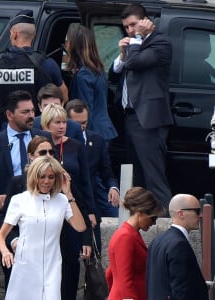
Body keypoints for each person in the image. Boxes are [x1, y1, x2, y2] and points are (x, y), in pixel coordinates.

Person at [0, 90, 50, 286]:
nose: (31, 115)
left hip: (44, 216)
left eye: (32, 111)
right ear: (9, 114)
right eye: (25, 112)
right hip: (11, 220)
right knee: (14, 278)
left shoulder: (43, 140)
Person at [109, 3, 173, 210]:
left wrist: (136, 40)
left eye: (133, 25)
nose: (130, 30)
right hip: (130, 117)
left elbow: (135, 63)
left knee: (153, 175)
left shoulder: (160, 43)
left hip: (148, 119)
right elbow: (114, 73)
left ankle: (165, 222)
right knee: (136, 174)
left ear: (146, 22)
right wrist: (121, 53)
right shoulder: (132, 47)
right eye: (126, 27)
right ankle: (142, 219)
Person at [0, 156, 86, 300]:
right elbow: (0, 236)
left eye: (51, 177)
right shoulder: (19, 200)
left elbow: (80, 227)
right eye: (42, 176)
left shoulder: (62, 200)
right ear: (34, 176)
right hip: (26, 266)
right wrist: (6, 252)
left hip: (52, 266)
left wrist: (68, 194)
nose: (46, 181)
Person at [41, 103, 95, 299]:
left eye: (64, 122)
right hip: (46, 210)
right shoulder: (41, 147)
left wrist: (90, 215)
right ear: (47, 124)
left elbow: (85, 183)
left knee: (71, 265)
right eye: (57, 122)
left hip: (72, 207)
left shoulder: (75, 145)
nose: (62, 126)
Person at [0, 9, 68, 128]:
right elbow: (64, 96)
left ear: (14, 34)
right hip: (38, 130)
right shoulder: (47, 64)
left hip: (6, 131)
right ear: (34, 35)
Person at [66, 99, 119, 251]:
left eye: (84, 123)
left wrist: (113, 187)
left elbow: (107, 171)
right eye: (77, 123)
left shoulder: (97, 140)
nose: (81, 127)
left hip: (92, 199)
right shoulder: (59, 143)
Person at [105, 187, 164, 300]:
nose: (154, 223)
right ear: (140, 213)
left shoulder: (130, 234)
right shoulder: (125, 236)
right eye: (153, 218)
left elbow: (110, 273)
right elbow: (124, 280)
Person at [147, 194, 208, 300]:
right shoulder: (179, 244)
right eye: (197, 211)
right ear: (181, 213)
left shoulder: (157, 240)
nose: (200, 215)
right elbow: (182, 290)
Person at [66, 24, 117, 142]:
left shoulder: (83, 76)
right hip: (104, 130)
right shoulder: (98, 70)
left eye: (68, 41)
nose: (66, 45)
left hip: (92, 133)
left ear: (74, 46)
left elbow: (84, 111)